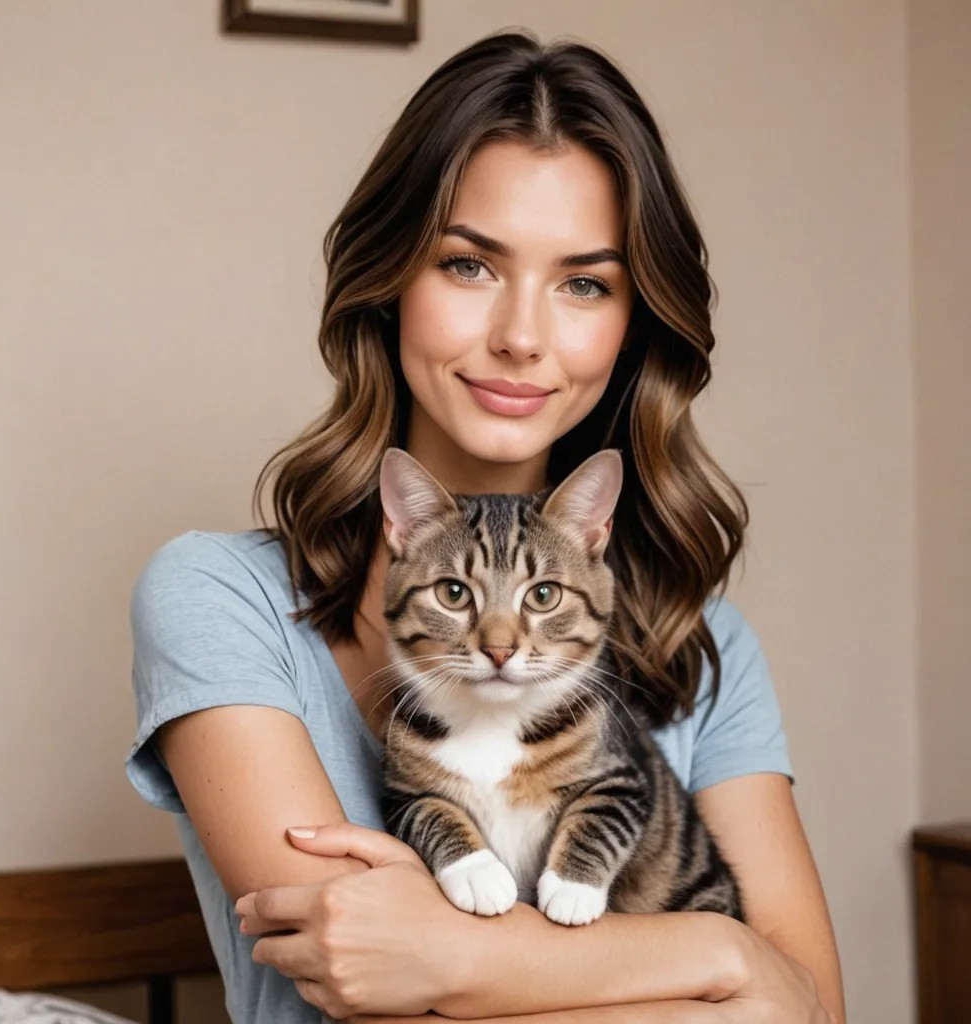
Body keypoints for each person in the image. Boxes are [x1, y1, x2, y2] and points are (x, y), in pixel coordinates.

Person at [125, 29, 845, 1024]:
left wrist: (453, 951)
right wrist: (730, 968)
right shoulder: (218, 600)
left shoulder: (703, 642)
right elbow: (371, 993)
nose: (520, 336)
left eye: (583, 283)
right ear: (390, 280)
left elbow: (818, 1009)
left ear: (631, 323)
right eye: (468, 265)